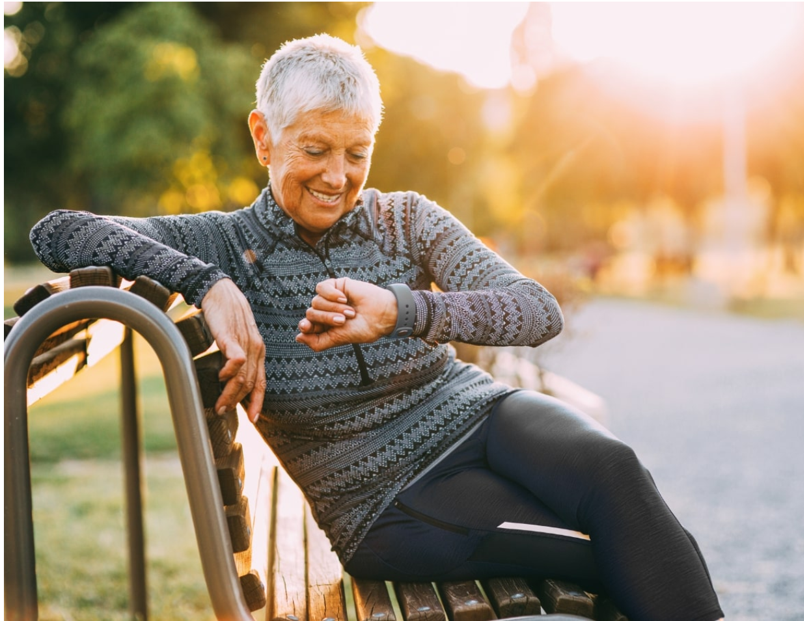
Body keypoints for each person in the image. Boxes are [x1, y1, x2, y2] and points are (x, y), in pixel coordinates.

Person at [30, 34, 723, 620]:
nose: (337, 176)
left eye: (356, 153)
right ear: (263, 135)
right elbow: (57, 231)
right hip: (383, 499)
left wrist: (404, 310)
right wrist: (206, 283)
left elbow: (535, 310)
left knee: (616, 475)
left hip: (478, 415)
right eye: (315, 149)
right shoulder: (219, 243)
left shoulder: (405, 218)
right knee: (603, 549)